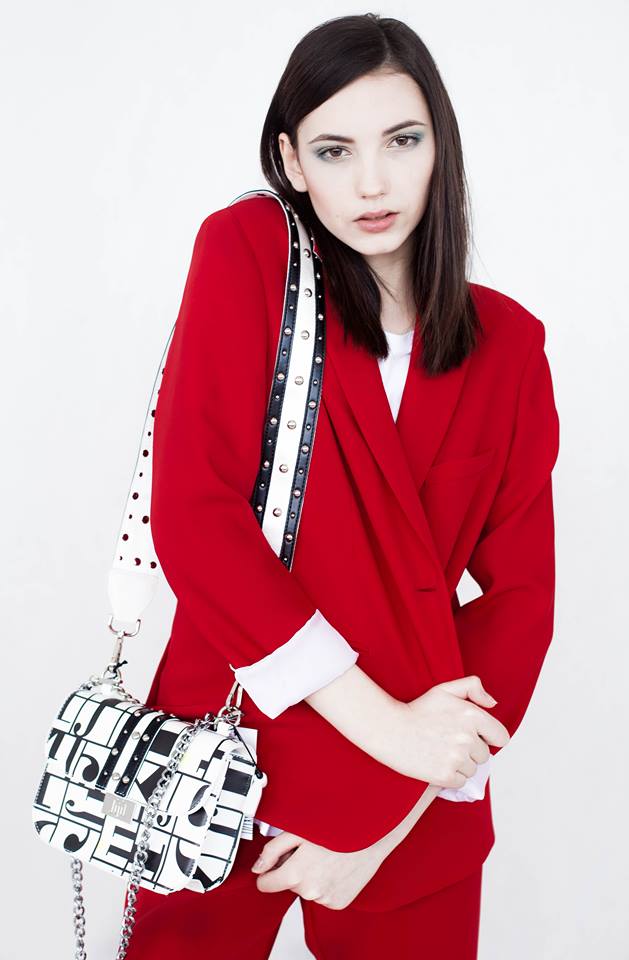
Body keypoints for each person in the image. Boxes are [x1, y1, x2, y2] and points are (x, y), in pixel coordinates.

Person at [123, 13, 559, 959]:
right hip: (219, 754)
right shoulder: (247, 255)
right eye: (333, 150)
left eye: (401, 141)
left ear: (439, 145)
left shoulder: (509, 346)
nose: (371, 183)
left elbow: (519, 603)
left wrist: (387, 814)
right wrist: (389, 735)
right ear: (290, 159)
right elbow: (194, 515)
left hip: (415, 798)